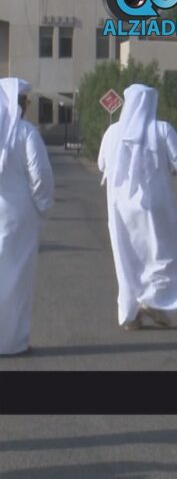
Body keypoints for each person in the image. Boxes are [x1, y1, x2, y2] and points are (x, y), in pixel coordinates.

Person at [98, 84, 177, 330]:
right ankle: (153, 301)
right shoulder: (162, 129)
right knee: (162, 254)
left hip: (120, 209)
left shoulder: (112, 132)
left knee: (127, 257)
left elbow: (101, 164)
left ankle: (130, 315)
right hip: (156, 206)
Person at [0, 78, 54, 356]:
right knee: (16, 278)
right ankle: (11, 342)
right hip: (17, 215)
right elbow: (40, 177)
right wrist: (42, 208)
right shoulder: (25, 133)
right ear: (21, 103)